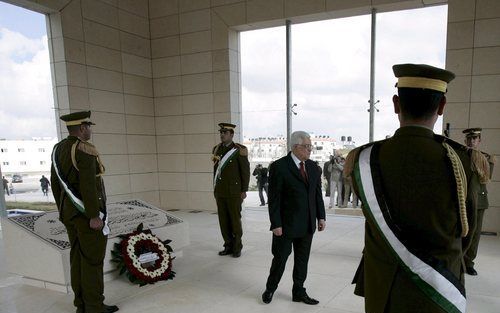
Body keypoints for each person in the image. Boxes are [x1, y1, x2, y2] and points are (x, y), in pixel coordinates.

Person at [348, 64, 477, 313]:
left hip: (382, 290)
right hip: (438, 290)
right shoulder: (460, 161)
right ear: (441, 107)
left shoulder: (365, 159)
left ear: (396, 104)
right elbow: (467, 232)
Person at [50, 111, 118, 313]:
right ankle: (95, 306)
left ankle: (81, 305)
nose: (90, 130)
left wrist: (64, 210)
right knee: (92, 261)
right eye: (89, 126)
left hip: (69, 214)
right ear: (81, 128)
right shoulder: (84, 150)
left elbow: (56, 185)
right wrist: (94, 215)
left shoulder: (58, 148)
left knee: (77, 259)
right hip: (86, 216)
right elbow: (88, 186)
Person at [262, 131, 326, 305]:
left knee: (302, 261)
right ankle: (270, 288)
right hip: (285, 225)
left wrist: (321, 216)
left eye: (310, 146)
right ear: (295, 147)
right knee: (280, 259)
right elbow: (274, 199)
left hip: (307, 224)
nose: (310, 150)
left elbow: (317, 195)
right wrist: (275, 223)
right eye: (307, 146)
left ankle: (299, 291)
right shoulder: (279, 167)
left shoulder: (313, 167)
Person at [212, 122, 250, 258]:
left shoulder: (239, 150)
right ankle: (227, 245)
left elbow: (245, 171)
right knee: (223, 220)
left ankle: (237, 247)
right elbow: (216, 171)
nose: (222, 135)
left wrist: (244, 189)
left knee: (235, 220)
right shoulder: (216, 149)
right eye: (221, 133)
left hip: (235, 192)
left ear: (232, 134)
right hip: (220, 191)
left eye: (225, 133)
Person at [462, 127, 495, 276]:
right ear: (465, 140)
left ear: (479, 141)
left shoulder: (485, 159)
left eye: (474, 139)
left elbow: (486, 178)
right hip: (462, 200)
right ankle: (458, 261)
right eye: (469, 139)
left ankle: (469, 263)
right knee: (461, 232)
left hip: (479, 200)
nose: (471, 141)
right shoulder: (459, 155)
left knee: (474, 234)